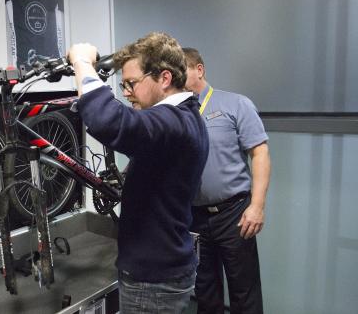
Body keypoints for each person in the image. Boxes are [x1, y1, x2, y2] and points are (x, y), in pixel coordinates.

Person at [67, 32, 209, 314]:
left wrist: (82, 62)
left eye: (131, 84)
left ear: (164, 78)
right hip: (165, 270)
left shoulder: (174, 122)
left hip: (153, 282)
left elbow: (108, 121)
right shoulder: (187, 115)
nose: (127, 92)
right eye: (123, 85)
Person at [183, 47, 271, 314]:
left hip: (234, 214)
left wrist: (256, 206)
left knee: (244, 292)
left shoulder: (235, 104)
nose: (173, 78)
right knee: (204, 291)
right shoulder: (178, 113)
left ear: (199, 69)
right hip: (194, 216)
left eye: (180, 71)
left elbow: (260, 153)